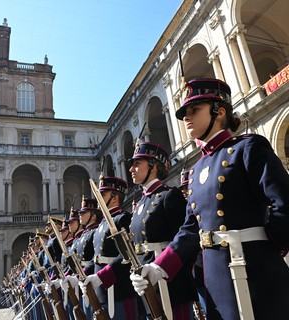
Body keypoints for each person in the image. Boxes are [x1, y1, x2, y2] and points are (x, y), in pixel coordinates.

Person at [131, 78, 289, 319]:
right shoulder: (195, 170)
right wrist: (159, 266)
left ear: (220, 111)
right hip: (215, 279)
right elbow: (190, 229)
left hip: (255, 271)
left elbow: (283, 201)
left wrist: (269, 247)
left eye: (195, 110)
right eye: (185, 112)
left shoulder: (247, 149)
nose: (186, 117)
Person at [128, 141, 197, 319]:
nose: (131, 169)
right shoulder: (141, 203)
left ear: (153, 166)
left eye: (137, 164)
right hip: (146, 284)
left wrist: (162, 268)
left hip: (171, 283)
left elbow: (186, 242)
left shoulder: (169, 196)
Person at [79, 176, 138, 319]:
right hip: (102, 290)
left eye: (103, 194)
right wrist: (84, 273)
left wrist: (103, 275)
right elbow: (97, 257)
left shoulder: (123, 218)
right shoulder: (102, 225)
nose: (98, 197)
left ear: (115, 197)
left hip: (120, 288)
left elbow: (128, 253)